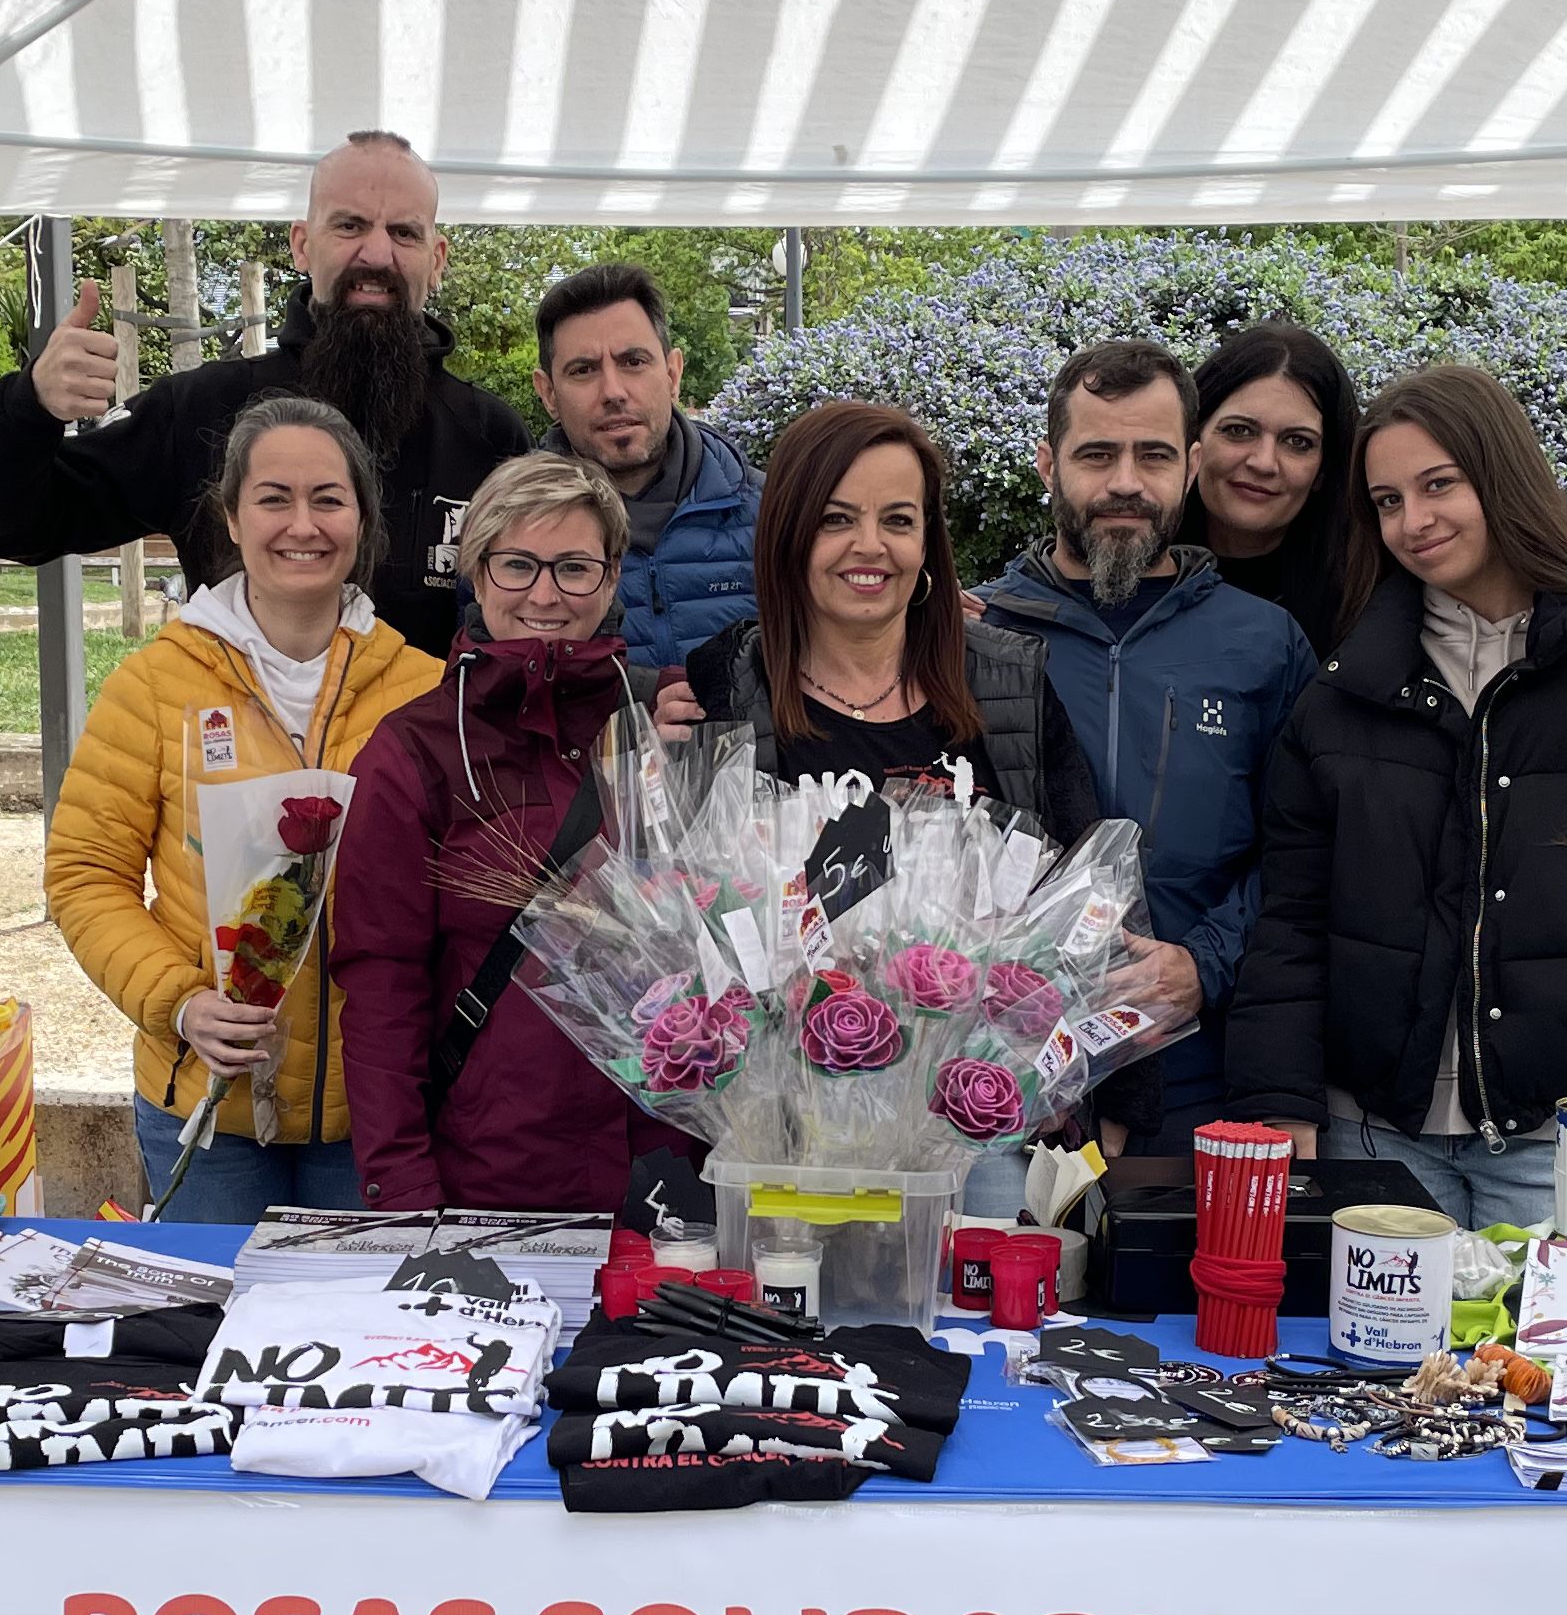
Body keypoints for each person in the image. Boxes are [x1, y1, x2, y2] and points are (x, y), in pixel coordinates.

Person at [1227, 365, 1567, 1224]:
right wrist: (1280, 1102)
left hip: (1563, 1133)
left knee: (1546, 1363)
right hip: (1372, 1134)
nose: (1415, 520)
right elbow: (1291, 916)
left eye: (1439, 484)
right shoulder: (1344, 692)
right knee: (1383, 1366)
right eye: (1388, 500)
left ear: (1503, 475)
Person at [46, 397, 440, 1219]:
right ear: (230, 517)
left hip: (370, 1118)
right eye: (274, 498)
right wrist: (180, 1002)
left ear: (362, 520)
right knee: (209, 1337)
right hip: (206, 1104)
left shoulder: (423, 690)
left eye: (329, 499)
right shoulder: (156, 685)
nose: (303, 524)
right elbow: (86, 876)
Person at [0, 129, 525, 655]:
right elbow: (3, 525)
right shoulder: (199, 410)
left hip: (436, 760)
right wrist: (29, 405)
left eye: (404, 232)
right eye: (349, 226)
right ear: (302, 245)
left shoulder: (489, 436)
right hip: (238, 757)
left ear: (437, 258)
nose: (376, 254)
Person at [335, 453, 698, 1213]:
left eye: (573, 567)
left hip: (662, 1171)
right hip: (495, 1174)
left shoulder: (662, 727)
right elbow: (381, 987)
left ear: (611, 575)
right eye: (517, 565)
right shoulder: (418, 751)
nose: (545, 594)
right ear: (475, 570)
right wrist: (402, 1192)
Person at [978, 337, 1315, 1151]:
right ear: (1046, 464)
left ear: (1192, 466)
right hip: (995, 1080)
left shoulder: (1263, 643)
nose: (1125, 482)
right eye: (1097, 453)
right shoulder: (973, 633)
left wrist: (1206, 963)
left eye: (1153, 455)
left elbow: (1305, 848)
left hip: (1199, 1076)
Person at [680, 401, 1103, 838]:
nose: (869, 544)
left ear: (925, 544)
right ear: (787, 533)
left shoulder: (1013, 683)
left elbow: (1087, 884)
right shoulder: (726, 697)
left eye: (898, 520)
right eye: (835, 519)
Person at [531, 260, 760, 675]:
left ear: (673, 373)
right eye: (584, 370)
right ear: (547, 392)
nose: (613, 392)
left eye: (633, 361)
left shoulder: (770, 515)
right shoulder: (508, 532)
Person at [1186, 320, 1371, 656]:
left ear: (1324, 470)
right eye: (1239, 431)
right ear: (1194, 438)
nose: (1264, 463)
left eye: (1297, 442)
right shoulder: (1130, 572)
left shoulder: (1366, 606)